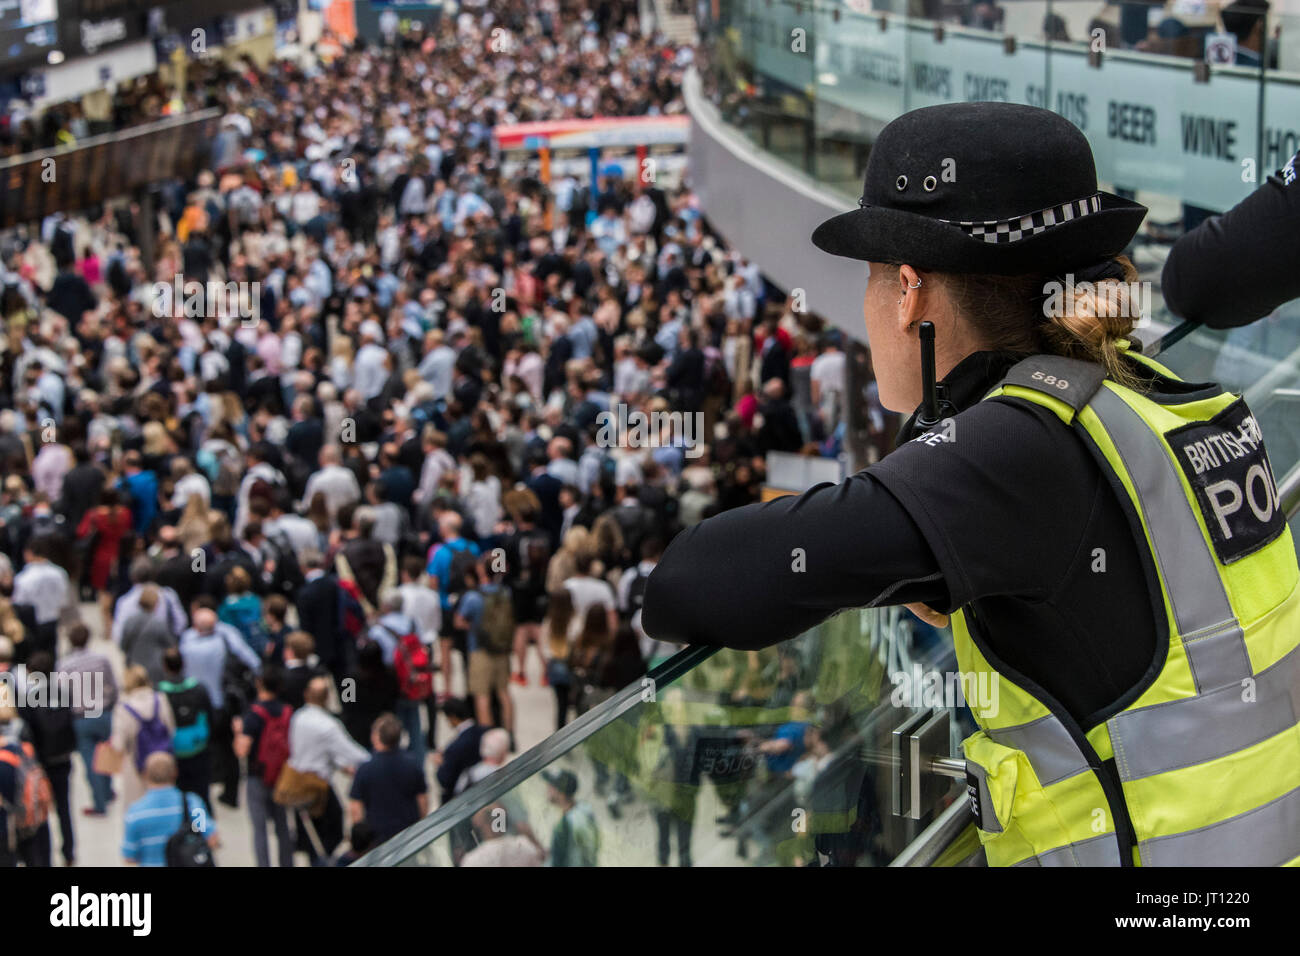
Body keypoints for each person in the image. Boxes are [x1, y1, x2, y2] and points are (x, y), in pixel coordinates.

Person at [644, 102, 1300, 867]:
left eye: (871, 276)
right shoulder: (1141, 392)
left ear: (910, 292)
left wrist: (923, 533)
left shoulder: (1012, 451)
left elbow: (687, 584)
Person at [287, 676, 369, 865]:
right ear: (326, 697)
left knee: (310, 838)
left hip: (297, 783)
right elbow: (353, 753)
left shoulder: (298, 717)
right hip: (318, 787)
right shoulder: (328, 726)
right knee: (329, 835)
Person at [17, 651, 76, 865]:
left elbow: (27, 733)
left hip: (41, 762)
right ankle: (68, 851)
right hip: (63, 758)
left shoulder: (27, 701)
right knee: (64, 807)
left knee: (41, 812)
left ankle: (45, 858)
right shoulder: (64, 693)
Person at [234, 666, 295, 867]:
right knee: (282, 826)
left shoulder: (253, 715)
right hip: (281, 774)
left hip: (257, 776)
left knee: (260, 829)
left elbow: (242, 750)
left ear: (259, 683)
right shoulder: (287, 711)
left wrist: (237, 733)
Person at [55, 622, 118, 817]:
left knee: (91, 761)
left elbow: (61, 695)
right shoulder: (101, 659)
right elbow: (113, 685)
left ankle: (100, 802)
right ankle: (107, 792)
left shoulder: (64, 665)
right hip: (101, 712)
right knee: (106, 753)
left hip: (82, 717)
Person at [121, 752, 218, 866]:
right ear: (175, 773)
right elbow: (212, 839)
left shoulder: (135, 812)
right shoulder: (192, 803)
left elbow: (129, 856)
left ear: (146, 775)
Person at [348, 713, 429, 844]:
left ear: (376, 737)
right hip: (409, 833)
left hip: (378, 838)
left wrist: (361, 838)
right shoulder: (413, 764)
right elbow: (422, 800)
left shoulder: (365, 769)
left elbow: (355, 807)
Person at [157, 648, 214, 816]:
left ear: (165, 666)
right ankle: (201, 831)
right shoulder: (199, 688)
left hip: (174, 752)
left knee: (178, 797)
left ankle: (184, 833)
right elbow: (210, 717)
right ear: (184, 664)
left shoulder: (160, 693)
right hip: (199, 748)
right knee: (201, 794)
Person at [109, 665, 176, 809]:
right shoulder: (161, 699)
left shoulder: (123, 709)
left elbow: (118, 745)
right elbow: (171, 729)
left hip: (136, 768)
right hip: (162, 760)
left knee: (140, 807)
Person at [542, 768, 600, 867]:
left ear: (560, 793)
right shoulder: (585, 810)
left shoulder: (564, 826)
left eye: (551, 786)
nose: (547, 789)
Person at [433, 697, 484, 805]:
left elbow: (445, 780)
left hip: (460, 799)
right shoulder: (482, 732)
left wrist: (440, 763)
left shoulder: (454, 748)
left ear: (452, 717)